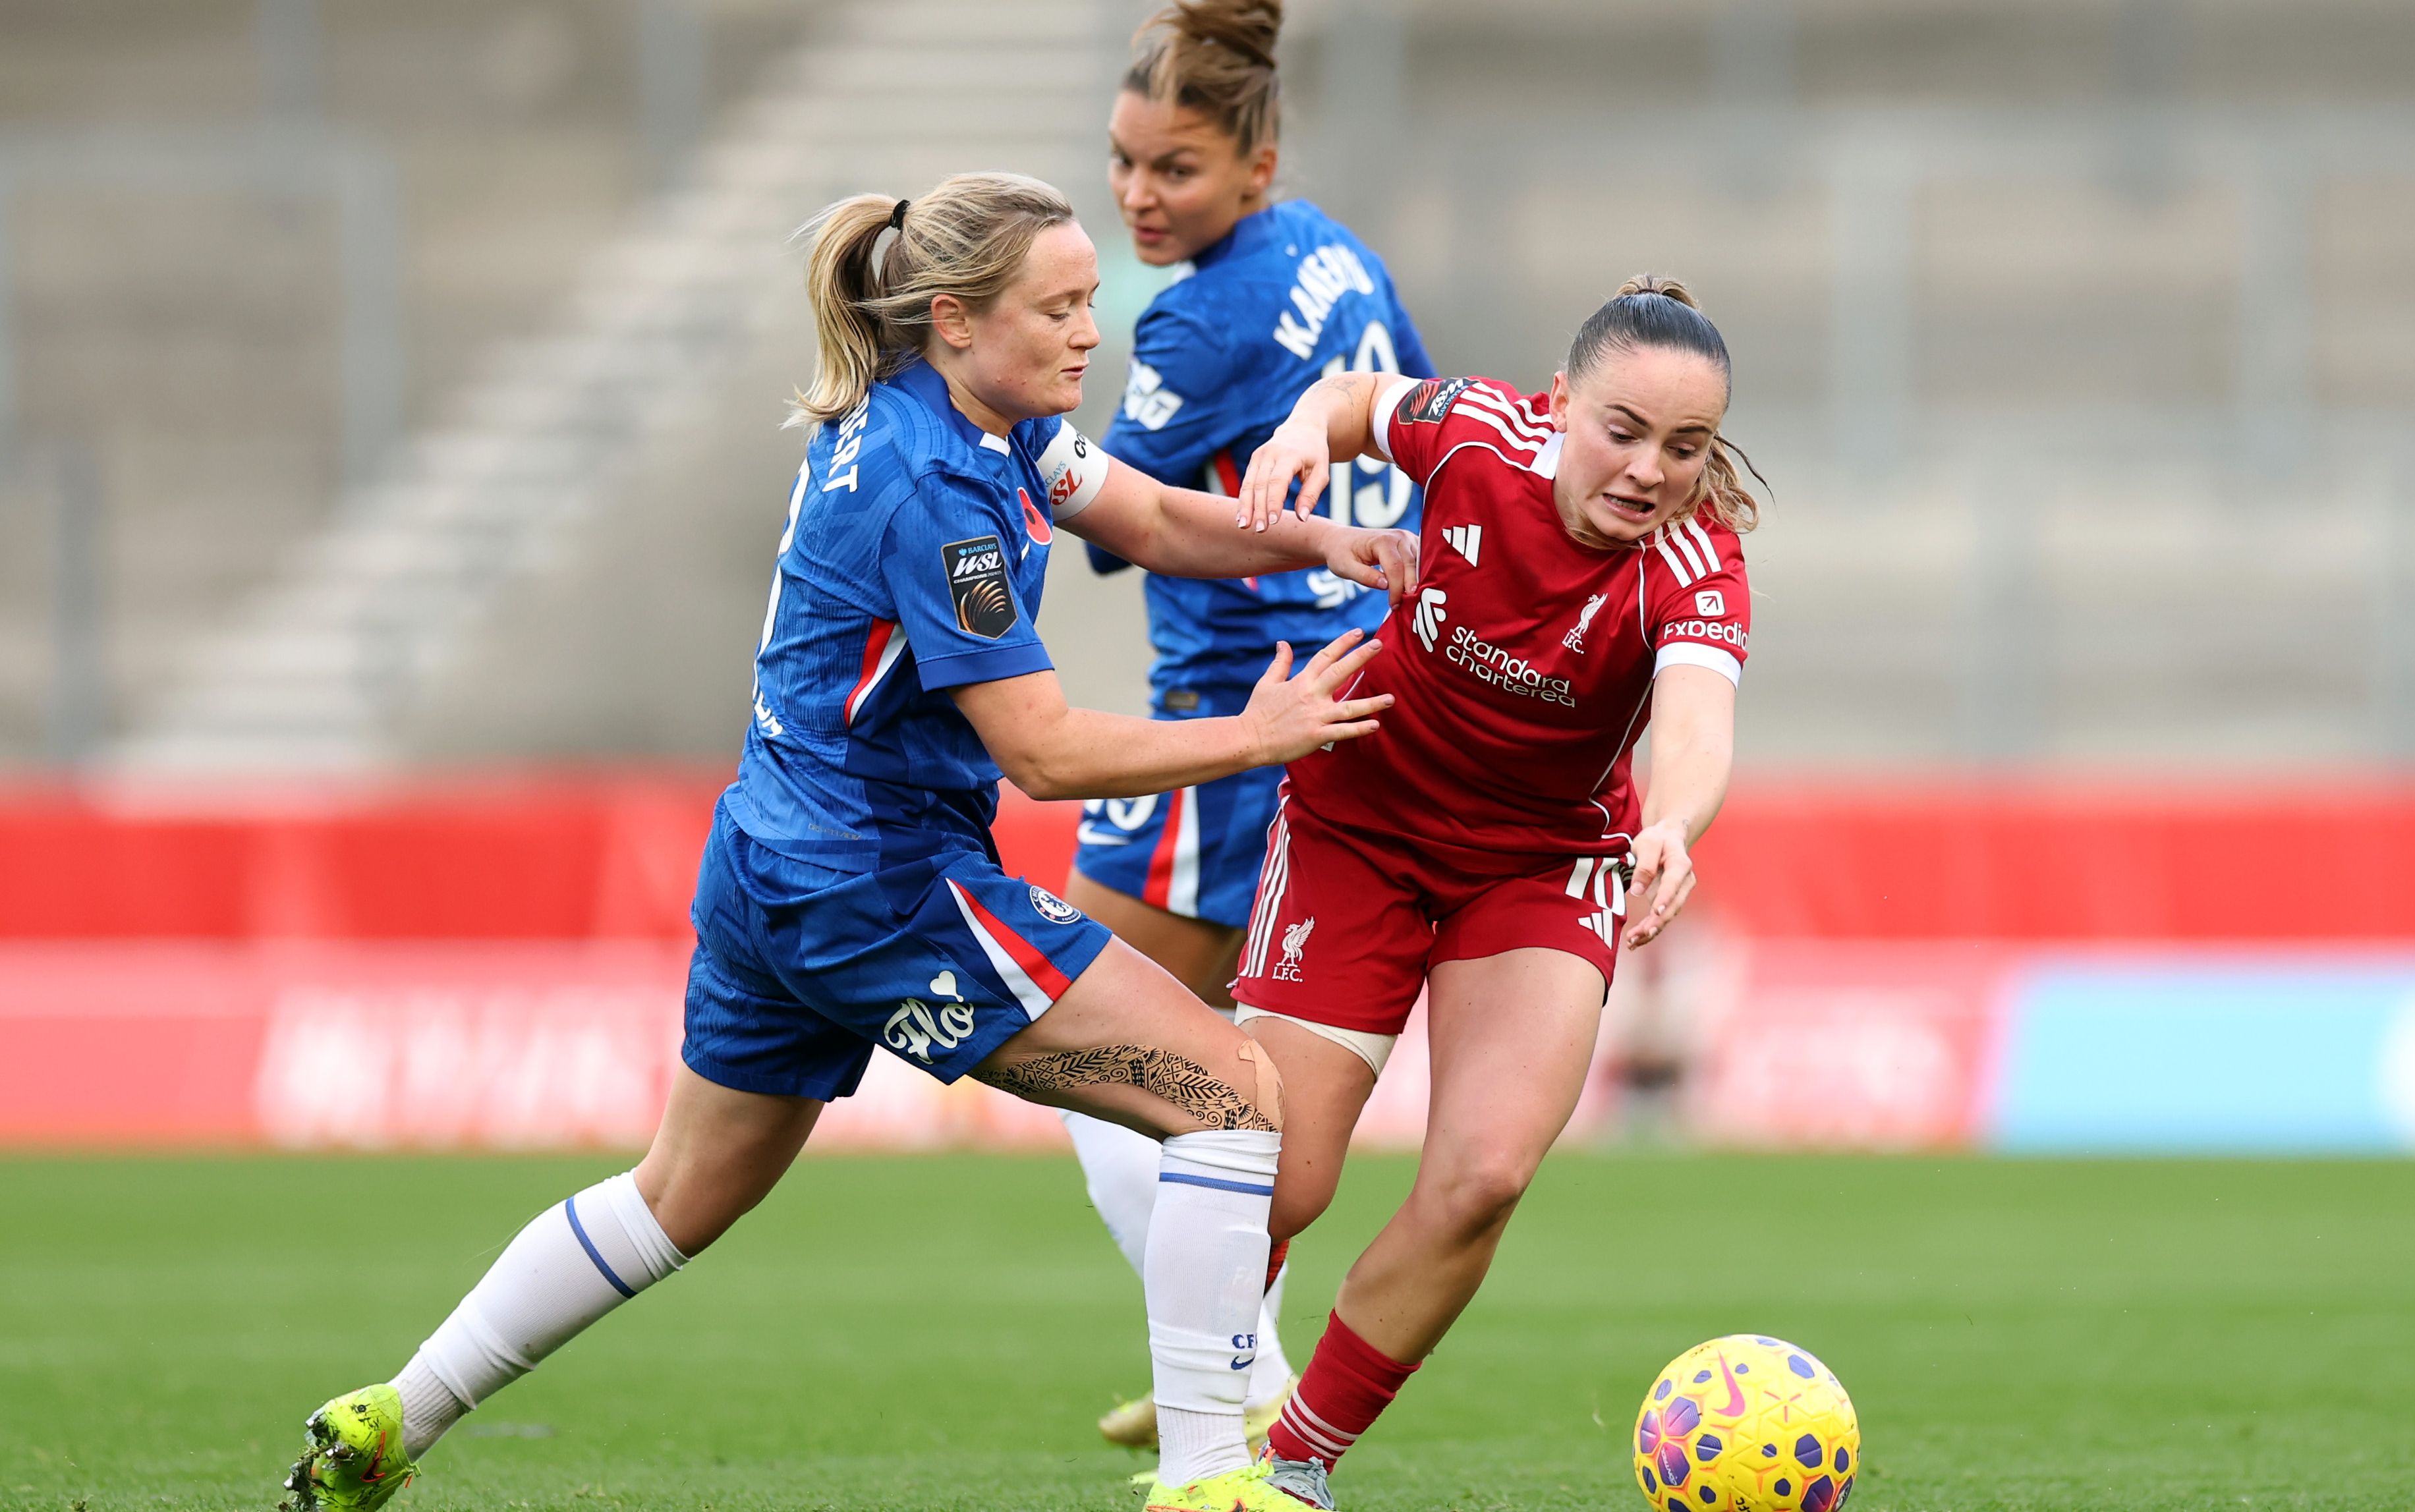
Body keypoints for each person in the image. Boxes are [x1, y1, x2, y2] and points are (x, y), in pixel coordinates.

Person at [277, 171, 1421, 1512]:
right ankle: (1209, 1477)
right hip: (878, 881)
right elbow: (1043, 750)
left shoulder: (972, 422)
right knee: (1231, 1092)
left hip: (773, 854)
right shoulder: (936, 487)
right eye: (1057, 308)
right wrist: (1258, 731)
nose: (1086, 332)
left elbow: (1158, 517)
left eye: (1089, 302)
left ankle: (389, 1415)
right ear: (953, 318)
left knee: (680, 1192)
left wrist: (1323, 535)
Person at [1226, 277, 1761, 1510]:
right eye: (1622, 431)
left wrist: (1672, 825)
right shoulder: (1477, 432)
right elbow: (1361, 401)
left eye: (1685, 448)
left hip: (1540, 863)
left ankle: (1291, 1469)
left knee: (1484, 1177)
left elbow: (1695, 714)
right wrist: (1310, 429)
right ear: (1561, 402)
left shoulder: (1694, 561)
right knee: (1277, 1176)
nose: (1648, 472)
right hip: (1359, 824)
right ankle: (1204, 1435)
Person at [1054, 0, 1433, 1455]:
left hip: (1235, 712)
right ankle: (1221, 1347)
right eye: (1127, 163)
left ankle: (1232, 1358)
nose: (1143, 196)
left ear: (1257, 165)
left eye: (1179, 170)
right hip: (1342, 684)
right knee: (1180, 1062)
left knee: (1078, 1034)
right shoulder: (1339, 252)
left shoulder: (1202, 314)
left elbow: (1122, 519)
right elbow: (1412, 412)